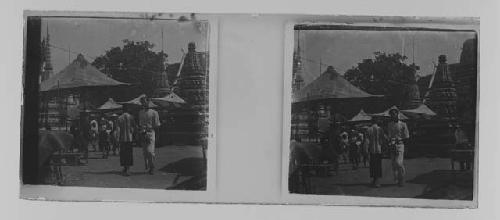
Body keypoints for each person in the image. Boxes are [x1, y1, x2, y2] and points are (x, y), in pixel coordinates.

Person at [387, 107, 410, 187]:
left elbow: (407, 136)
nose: (393, 115)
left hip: (400, 145)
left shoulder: (403, 124)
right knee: (394, 164)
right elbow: (389, 136)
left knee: (399, 163)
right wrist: (390, 142)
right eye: (391, 114)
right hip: (392, 145)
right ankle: (397, 179)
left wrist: (405, 146)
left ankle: (402, 178)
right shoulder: (389, 125)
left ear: (397, 114)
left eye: (394, 113)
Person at [138, 96, 161, 175]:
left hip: (151, 133)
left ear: (148, 102)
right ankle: (148, 166)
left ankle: (152, 167)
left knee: (150, 151)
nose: (144, 103)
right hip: (143, 133)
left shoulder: (154, 112)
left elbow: (157, 126)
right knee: (145, 152)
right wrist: (140, 133)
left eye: (145, 101)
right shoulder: (140, 112)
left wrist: (157, 136)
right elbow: (140, 124)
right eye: (142, 102)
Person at [116, 105, 136, 176]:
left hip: (122, 138)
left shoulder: (119, 118)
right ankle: (128, 169)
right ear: (128, 110)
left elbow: (118, 130)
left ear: (122, 110)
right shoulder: (131, 117)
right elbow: (134, 127)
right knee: (129, 153)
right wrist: (132, 132)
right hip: (129, 138)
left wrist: (117, 139)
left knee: (123, 153)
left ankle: (125, 167)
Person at [366, 118, 385, 187]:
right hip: (379, 150)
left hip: (372, 150)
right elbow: (383, 139)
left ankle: (375, 180)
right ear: (377, 122)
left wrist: (366, 149)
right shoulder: (380, 129)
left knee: (373, 165)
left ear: (371, 122)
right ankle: (377, 181)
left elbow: (367, 141)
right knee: (378, 165)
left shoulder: (368, 129)